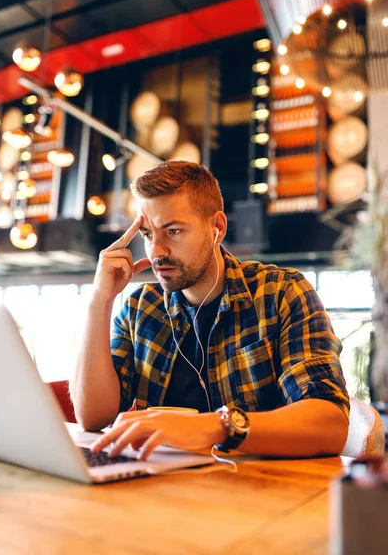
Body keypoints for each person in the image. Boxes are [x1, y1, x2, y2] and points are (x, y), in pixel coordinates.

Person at [70, 161, 349, 461]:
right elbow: (93, 417)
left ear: (217, 227)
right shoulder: (140, 307)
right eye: (148, 234)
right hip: (158, 491)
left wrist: (217, 427)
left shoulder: (281, 293)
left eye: (173, 231)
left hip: (261, 491)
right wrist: (100, 299)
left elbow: (330, 424)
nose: (155, 251)